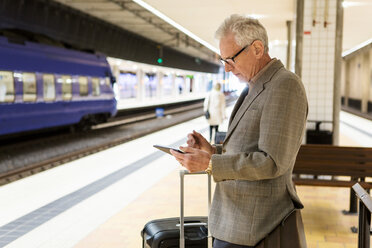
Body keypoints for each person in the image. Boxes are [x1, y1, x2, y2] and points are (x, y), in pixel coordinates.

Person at [170, 14, 308, 247]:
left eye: (231, 59)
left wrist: (211, 163)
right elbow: (249, 146)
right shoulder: (254, 87)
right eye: (223, 60)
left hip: (257, 228)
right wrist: (212, 150)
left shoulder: (284, 85)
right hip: (235, 222)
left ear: (257, 48)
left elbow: (272, 161)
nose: (226, 68)